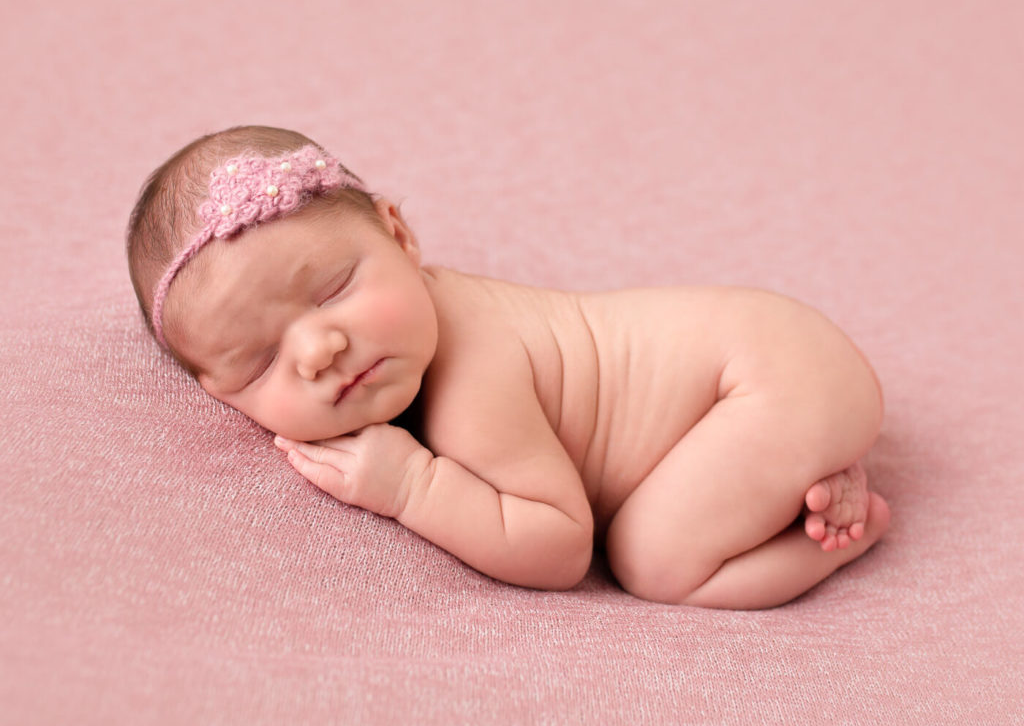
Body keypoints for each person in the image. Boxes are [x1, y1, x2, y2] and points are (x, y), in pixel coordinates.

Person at [127, 125, 890, 610]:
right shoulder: (406, 332)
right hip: (756, 375)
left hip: (764, 376)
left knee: (654, 560)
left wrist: (413, 487)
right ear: (218, 394)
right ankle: (799, 474)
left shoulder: (471, 372)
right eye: (261, 361)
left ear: (401, 235)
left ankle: (844, 532)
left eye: (333, 289)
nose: (318, 350)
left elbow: (559, 546)